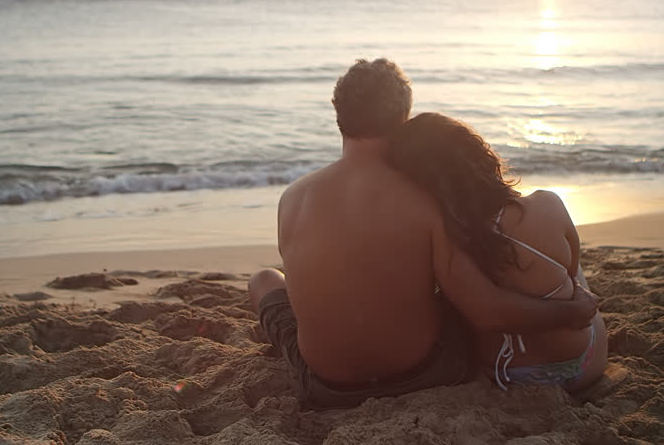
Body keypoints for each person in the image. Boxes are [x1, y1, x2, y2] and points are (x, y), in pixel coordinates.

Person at [248, 59, 599, 409]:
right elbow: (485, 310)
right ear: (404, 115)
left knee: (264, 280)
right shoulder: (425, 197)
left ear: (338, 113)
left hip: (328, 387)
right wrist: (571, 313)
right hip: (423, 375)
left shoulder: (293, 198)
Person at [388, 112, 608, 391]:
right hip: (579, 368)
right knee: (574, 275)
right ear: (479, 153)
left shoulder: (448, 237)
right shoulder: (547, 203)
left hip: (505, 374)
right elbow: (571, 269)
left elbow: (481, 312)